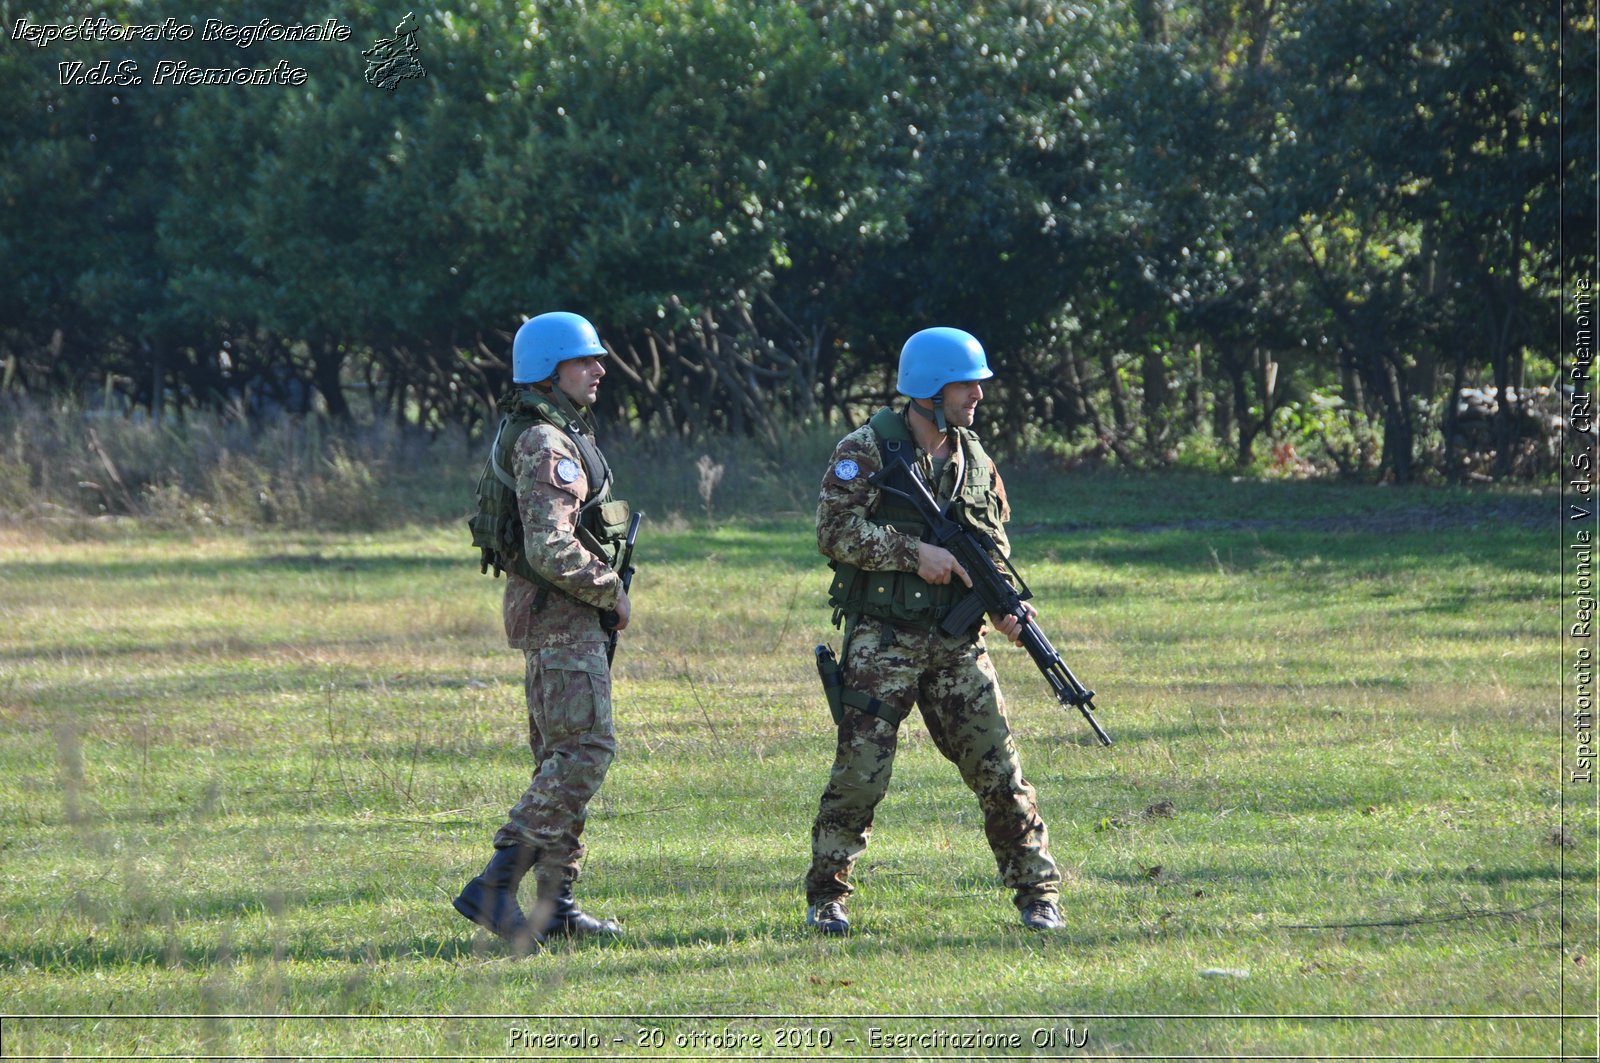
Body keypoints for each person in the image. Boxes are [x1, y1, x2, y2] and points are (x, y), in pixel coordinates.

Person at [804, 326, 1065, 935]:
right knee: (861, 771)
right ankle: (827, 895)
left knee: (999, 769)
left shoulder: (977, 461)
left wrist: (1003, 603)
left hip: (956, 642)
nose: (977, 394)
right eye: (965, 383)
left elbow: (993, 548)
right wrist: (910, 551)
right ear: (927, 388)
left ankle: (1037, 893)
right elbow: (833, 531)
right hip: (883, 640)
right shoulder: (867, 448)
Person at [453, 311, 634, 952]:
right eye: (585, 361)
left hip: (557, 622)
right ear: (550, 372)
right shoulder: (546, 444)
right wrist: (610, 589)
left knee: (561, 760)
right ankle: (496, 884)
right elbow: (553, 547)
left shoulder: (543, 432)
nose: (599, 370)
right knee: (584, 754)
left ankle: (555, 905)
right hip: (563, 622)